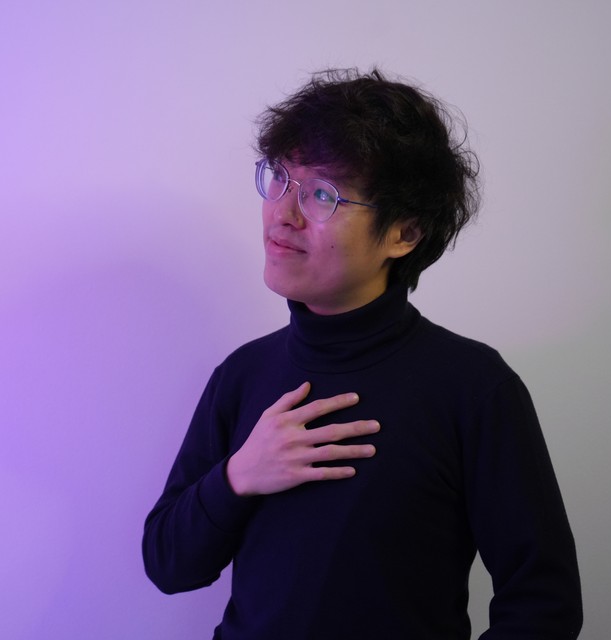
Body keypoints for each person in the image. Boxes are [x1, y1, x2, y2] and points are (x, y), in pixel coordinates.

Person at [143, 68, 582, 639]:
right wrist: (239, 475)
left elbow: (544, 602)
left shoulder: (474, 387)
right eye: (280, 178)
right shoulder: (243, 373)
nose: (283, 214)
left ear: (404, 233)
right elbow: (169, 565)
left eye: (322, 194)